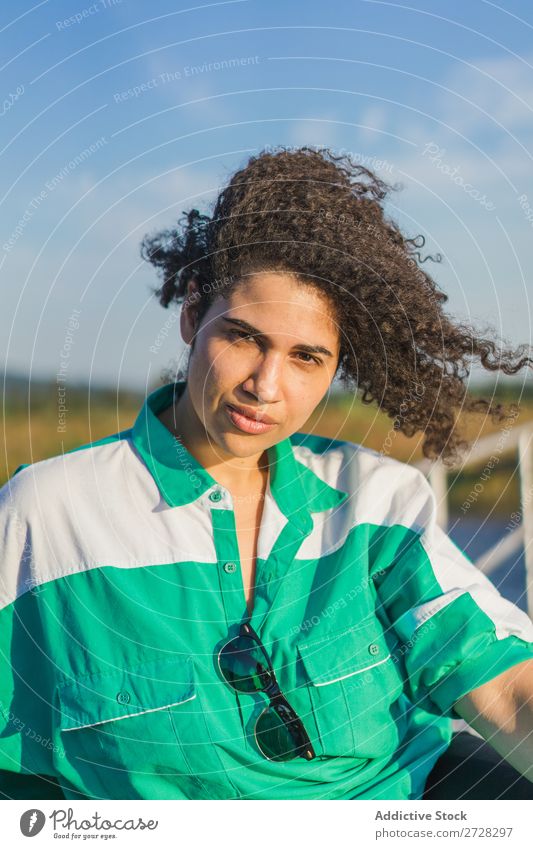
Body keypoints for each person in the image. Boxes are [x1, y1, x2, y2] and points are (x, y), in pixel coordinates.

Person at [1, 146, 532, 802]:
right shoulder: (46, 513)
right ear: (193, 316)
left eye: (306, 356)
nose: (264, 385)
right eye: (244, 337)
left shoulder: (377, 500)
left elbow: (505, 686)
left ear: (336, 367)